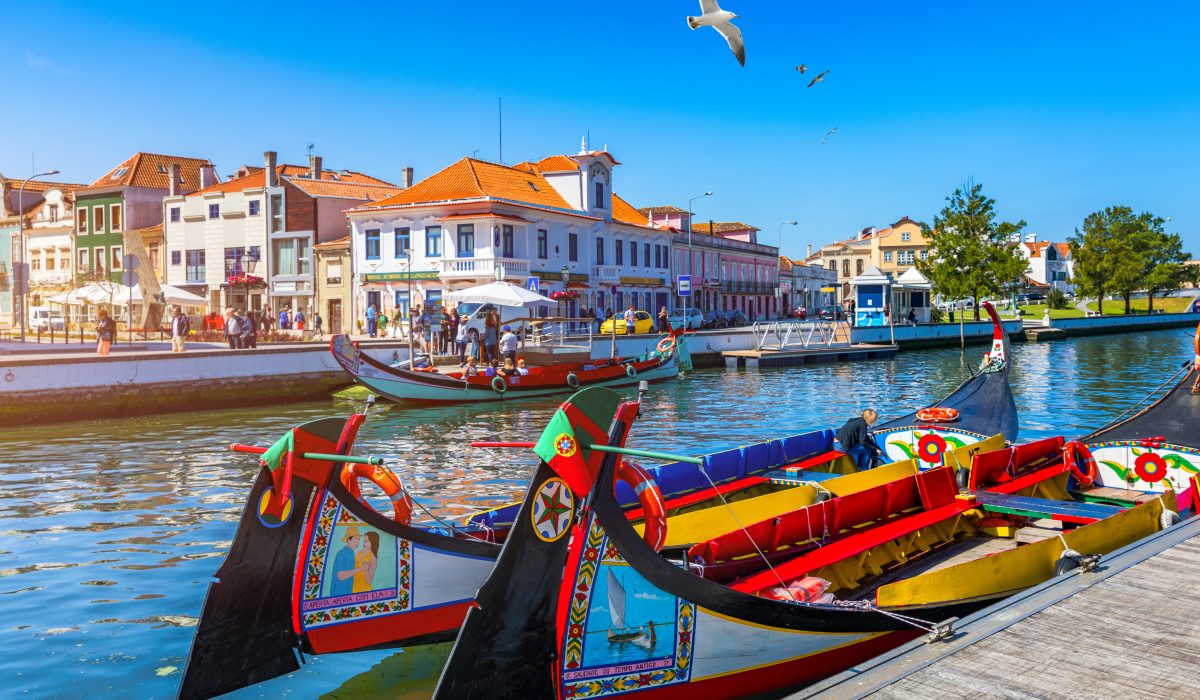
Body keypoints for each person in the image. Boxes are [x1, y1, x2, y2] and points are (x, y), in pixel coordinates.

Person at [331, 526, 361, 596]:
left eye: (359, 539)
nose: (358, 541)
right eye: (356, 538)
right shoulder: (341, 554)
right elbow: (341, 576)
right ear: (348, 539)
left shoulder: (351, 553)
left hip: (348, 592)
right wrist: (361, 569)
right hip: (338, 594)